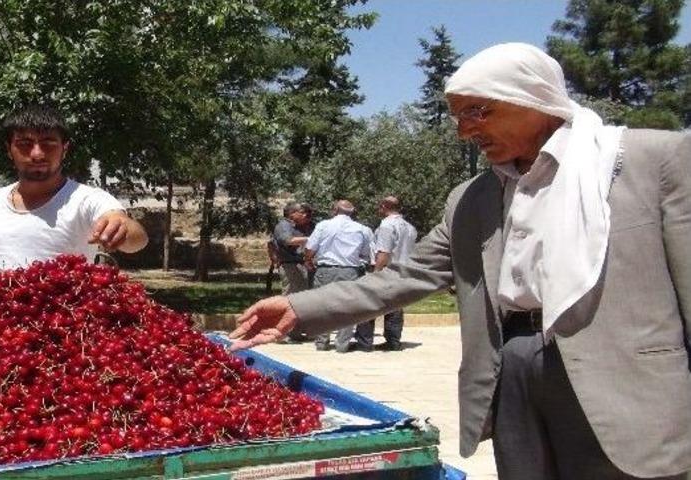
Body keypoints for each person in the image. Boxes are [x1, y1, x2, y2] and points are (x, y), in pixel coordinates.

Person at [229, 43, 691, 480]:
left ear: (535, 99)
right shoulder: (471, 199)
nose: (465, 130)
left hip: (627, 383)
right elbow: (410, 274)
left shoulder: (652, 162)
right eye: (458, 116)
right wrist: (300, 308)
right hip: (514, 370)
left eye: (479, 111)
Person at [0, 104, 148, 274]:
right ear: (9, 150)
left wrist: (121, 228)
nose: (37, 154)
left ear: (65, 149)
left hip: (66, 307)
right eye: (24, 144)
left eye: (48, 143)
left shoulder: (87, 200)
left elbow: (136, 238)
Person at [304, 200, 373, 352]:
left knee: (322, 306)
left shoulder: (323, 225)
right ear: (352, 212)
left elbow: (310, 248)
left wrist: (308, 261)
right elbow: (366, 254)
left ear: (334, 210)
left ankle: (322, 342)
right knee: (348, 308)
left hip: (325, 270)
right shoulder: (363, 229)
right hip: (350, 271)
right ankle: (342, 345)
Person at [371, 196, 417, 351]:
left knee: (372, 303)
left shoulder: (387, 225)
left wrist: (376, 272)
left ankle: (367, 339)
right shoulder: (410, 227)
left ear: (384, 206)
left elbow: (384, 252)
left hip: (389, 270)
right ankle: (394, 339)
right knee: (396, 306)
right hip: (404, 270)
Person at [270, 202, 314, 341]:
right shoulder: (283, 226)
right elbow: (288, 240)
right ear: (292, 213)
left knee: (299, 301)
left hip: (300, 266)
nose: (305, 215)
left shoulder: (300, 226)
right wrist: (312, 239)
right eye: (302, 212)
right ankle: (284, 333)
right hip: (291, 266)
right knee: (289, 299)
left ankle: (295, 332)